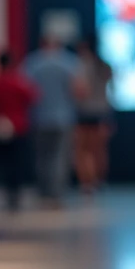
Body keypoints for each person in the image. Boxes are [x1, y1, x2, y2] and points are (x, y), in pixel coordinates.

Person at [22, 35, 82, 206]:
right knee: (60, 157)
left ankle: (44, 192)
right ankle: (56, 194)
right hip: (63, 118)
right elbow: (78, 90)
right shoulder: (69, 62)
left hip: (39, 117)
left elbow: (26, 91)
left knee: (42, 157)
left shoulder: (32, 62)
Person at [0, 52, 38, 210]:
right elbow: (32, 98)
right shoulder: (18, 82)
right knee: (15, 163)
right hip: (17, 128)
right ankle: (14, 195)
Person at [74, 37, 115, 193]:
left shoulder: (82, 65)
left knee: (83, 150)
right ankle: (99, 180)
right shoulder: (105, 66)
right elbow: (112, 91)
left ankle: (87, 182)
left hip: (85, 112)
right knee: (99, 150)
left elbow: (80, 91)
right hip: (102, 112)